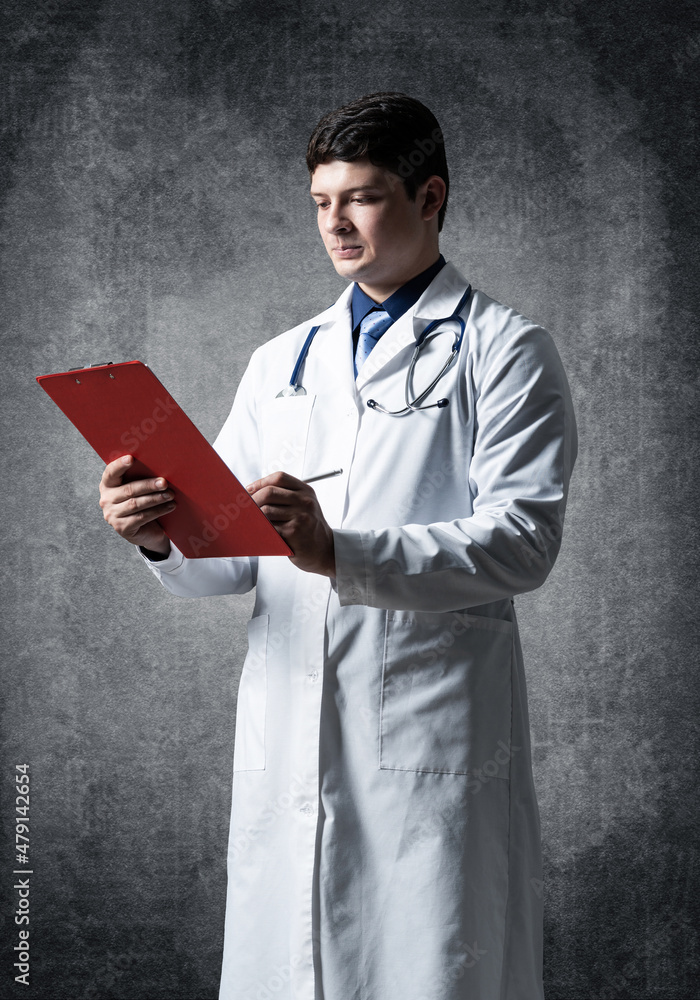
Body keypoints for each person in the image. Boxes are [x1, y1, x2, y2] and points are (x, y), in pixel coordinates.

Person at [99, 92, 577, 1000]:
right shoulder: (281, 361)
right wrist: (161, 535)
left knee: (427, 968)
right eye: (322, 202)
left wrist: (338, 551)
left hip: (428, 732)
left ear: (429, 196)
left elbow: (524, 541)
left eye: (360, 197)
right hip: (289, 732)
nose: (336, 224)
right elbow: (229, 558)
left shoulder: (506, 351)